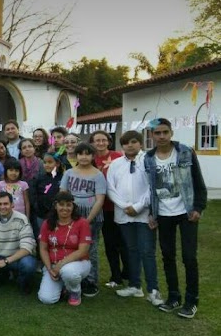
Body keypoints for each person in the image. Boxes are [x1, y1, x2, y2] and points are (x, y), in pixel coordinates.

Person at [143, 118, 207, 318]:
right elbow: (150, 188)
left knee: (189, 257)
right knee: (168, 256)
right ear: (152, 135)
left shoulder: (185, 151)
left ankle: (191, 300)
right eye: (157, 133)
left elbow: (197, 180)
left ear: (171, 133)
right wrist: (152, 214)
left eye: (165, 132)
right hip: (163, 214)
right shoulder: (148, 158)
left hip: (186, 211)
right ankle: (174, 297)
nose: (161, 136)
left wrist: (198, 207)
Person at [107, 131, 164, 306]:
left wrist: (138, 206)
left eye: (133, 142)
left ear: (140, 143)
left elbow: (153, 186)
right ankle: (134, 285)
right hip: (124, 215)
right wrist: (125, 206)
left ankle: (153, 290)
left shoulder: (148, 161)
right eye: (126, 143)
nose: (130, 145)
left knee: (147, 251)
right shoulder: (116, 164)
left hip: (144, 214)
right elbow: (110, 188)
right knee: (131, 249)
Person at [60, 142, 107, 298]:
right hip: (71, 214)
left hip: (91, 215)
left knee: (90, 249)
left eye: (87, 154)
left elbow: (100, 200)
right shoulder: (69, 173)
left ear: (93, 156)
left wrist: (88, 220)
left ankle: (90, 281)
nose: (84, 157)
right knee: (70, 245)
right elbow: (62, 195)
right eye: (81, 154)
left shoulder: (98, 175)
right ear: (76, 156)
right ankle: (72, 277)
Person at [37, 192, 92, 306]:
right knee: (46, 299)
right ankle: (65, 287)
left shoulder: (82, 223)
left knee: (68, 272)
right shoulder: (47, 223)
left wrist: (60, 265)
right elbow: (43, 248)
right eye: (61, 205)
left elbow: (83, 250)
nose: (65, 208)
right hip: (52, 265)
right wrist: (49, 268)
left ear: (73, 207)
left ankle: (75, 291)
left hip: (78, 263)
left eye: (68, 205)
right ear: (55, 206)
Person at [90, 130, 128, 289]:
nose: (100, 143)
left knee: (124, 242)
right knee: (110, 243)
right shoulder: (90, 159)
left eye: (103, 140)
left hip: (119, 205)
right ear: (92, 143)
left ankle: (128, 272)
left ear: (108, 141)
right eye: (97, 140)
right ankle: (115, 276)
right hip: (102, 207)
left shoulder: (119, 156)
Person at [30, 153, 64, 237]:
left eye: (50, 162)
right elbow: (33, 195)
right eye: (45, 162)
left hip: (57, 213)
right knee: (42, 236)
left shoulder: (62, 178)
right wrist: (37, 207)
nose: (47, 165)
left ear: (57, 164)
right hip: (41, 214)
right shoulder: (38, 178)